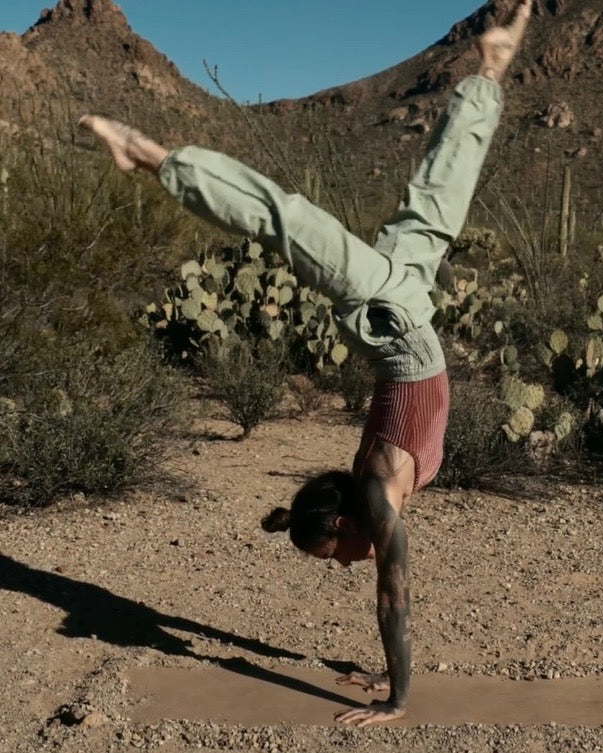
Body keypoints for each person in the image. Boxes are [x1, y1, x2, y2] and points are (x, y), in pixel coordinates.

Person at [79, 0, 531, 727]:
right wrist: (356, 666)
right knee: (438, 204)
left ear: (349, 524)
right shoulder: (361, 490)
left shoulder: (377, 497)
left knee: (289, 222)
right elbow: (375, 578)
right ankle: (488, 69)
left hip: (399, 328)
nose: (347, 565)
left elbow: (393, 597)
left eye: (335, 555)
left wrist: (397, 699)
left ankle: (156, 157)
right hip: (403, 322)